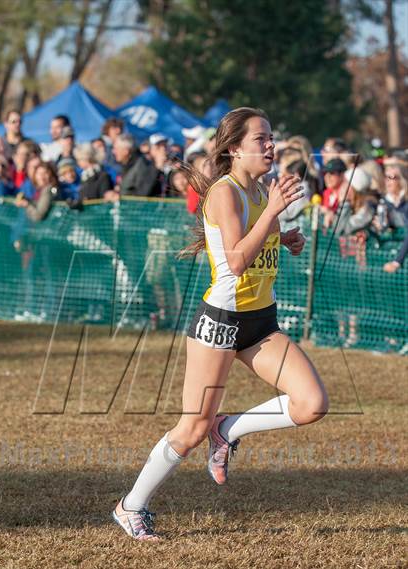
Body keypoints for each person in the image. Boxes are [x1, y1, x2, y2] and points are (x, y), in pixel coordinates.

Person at [112, 107, 329, 541]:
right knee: (190, 429)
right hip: (221, 322)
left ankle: (227, 429)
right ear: (234, 149)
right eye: (261, 139)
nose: (271, 145)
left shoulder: (263, 188)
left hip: (260, 320)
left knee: (312, 404)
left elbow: (256, 241)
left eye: (271, 137)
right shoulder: (225, 193)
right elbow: (235, 259)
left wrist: (284, 238)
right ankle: (130, 507)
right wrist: (273, 215)